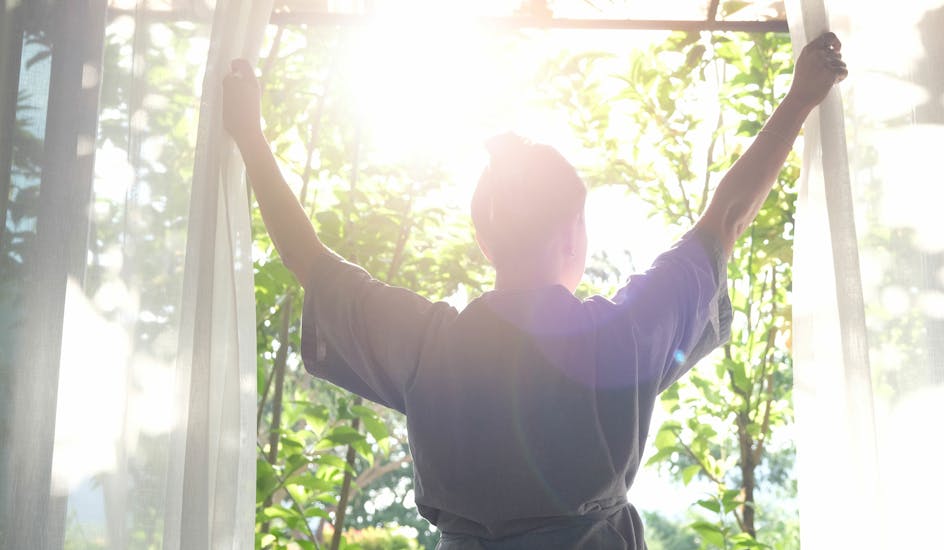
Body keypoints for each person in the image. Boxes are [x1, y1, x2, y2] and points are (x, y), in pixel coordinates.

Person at [223, 31, 846, 550]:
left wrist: (251, 137)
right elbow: (726, 219)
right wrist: (799, 99)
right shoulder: (622, 337)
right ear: (573, 233)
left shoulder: (428, 347)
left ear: (484, 240)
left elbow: (312, 261)